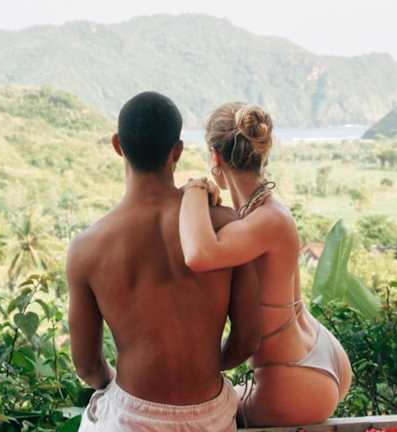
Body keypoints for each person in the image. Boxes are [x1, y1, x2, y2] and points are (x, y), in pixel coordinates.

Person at [67, 92, 261, 431]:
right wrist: (201, 369)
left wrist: (115, 384)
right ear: (177, 151)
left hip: (130, 419)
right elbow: (247, 339)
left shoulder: (87, 248)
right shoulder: (224, 225)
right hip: (211, 417)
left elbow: (87, 366)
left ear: (118, 145)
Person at [179, 102, 352, 427]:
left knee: (194, 417)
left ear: (215, 156)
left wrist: (194, 188)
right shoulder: (266, 212)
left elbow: (198, 253)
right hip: (310, 355)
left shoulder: (267, 221)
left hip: (292, 376)